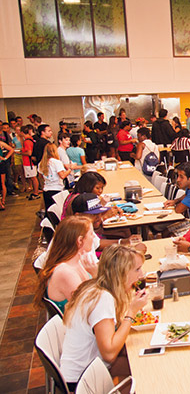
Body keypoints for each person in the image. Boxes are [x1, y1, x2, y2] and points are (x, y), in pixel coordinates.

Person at [60, 245, 148, 391]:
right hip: (82, 380)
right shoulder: (102, 299)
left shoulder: (95, 287)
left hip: (84, 369)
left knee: (138, 356)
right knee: (142, 367)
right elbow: (109, 354)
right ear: (122, 273)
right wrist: (131, 312)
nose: (142, 274)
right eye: (137, 269)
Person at [34, 216, 97, 314]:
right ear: (80, 240)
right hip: (80, 324)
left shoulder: (76, 260)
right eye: (91, 234)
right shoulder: (65, 273)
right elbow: (89, 308)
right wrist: (95, 277)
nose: (94, 237)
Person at [39, 143, 71, 210]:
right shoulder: (56, 162)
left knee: (50, 211)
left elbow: (41, 176)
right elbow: (62, 175)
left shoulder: (41, 163)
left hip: (47, 189)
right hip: (57, 189)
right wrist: (69, 170)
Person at [21, 125, 40, 200]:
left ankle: (36, 193)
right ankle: (35, 191)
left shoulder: (27, 141)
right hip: (28, 162)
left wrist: (20, 153)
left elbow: (29, 153)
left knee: (33, 178)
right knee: (32, 177)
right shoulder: (30, 140)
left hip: (29, 162)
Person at [0, 138, 14, 210]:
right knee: (2, 183)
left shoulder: (1, 143)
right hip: (2, 164)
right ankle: (2, 201)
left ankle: (2, 201)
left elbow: (11, 149)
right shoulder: (1, 143)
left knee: (2, 183)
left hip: (1, 164)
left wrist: (5, 158)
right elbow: (11, 149)